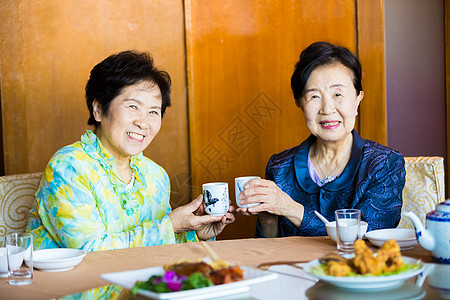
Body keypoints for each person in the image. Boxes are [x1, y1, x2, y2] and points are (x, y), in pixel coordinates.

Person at [27, 50, 235, 251]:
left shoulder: (155, 175)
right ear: (98, 109)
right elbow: (90, 251)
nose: (143, 123)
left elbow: (159, 250)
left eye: (153, 111)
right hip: (76, 285)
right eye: (133, 107)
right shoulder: (68, 167)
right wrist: (169, 226)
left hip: (139, 283)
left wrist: (195, 232)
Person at [237, 41, 405, 238]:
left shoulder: (384, 164)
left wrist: (290, 208)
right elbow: (268, 250)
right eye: (314, 96)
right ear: (299, 102)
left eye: (337, 94)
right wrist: (267, 219)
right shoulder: (279, 166)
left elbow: (368, 237)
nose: (327, 109)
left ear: (358, 98)